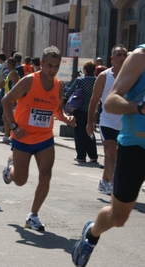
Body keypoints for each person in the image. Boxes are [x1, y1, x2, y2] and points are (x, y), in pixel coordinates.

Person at [71, 44, 145, 267]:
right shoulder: (140, 58)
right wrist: (141, 107)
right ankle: (91, 235)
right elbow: (111, 102)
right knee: (118, 217)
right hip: (136, 146)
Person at [1, 46, 76, 231]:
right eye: (49, 65)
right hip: (22, 136)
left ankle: (33, 215)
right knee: (20, 180)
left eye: (56, 66)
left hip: (44, 138)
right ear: (41, 64)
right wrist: (13, 126)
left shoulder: (59, 85)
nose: (53, 70)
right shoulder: (28, 81)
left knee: (46, 174)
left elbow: (56, 110)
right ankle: (10, 168)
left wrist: (65, 118)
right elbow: (6, 100)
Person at [86, 44, 127, 195]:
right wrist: (90, 122)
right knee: (110, 152)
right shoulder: (104, 76)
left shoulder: (131, 77)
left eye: (124, 55)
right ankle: (112, 184)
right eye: (119, 55)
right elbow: (94, 100)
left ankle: (104, 181)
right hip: (107, 121)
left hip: (126, 122)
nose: (122, 58)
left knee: (120, 155)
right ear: (112, 59)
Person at [64, 61, 98, 163]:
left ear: (85, 70)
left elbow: (69, 92)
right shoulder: (97, 80)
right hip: (91, 110)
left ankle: (81, 155)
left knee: (79, 133)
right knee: (90, 132)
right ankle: (93, 155)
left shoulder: (80, 80)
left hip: (79, 110)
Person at [0, 58, 19, 144]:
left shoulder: (13, 73)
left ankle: (11, 136)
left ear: (9, 64)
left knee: (9, 118)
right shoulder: (11, 73)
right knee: (5, 117)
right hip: (8, 98)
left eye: (7, 64)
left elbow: (15, 85)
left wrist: (12, 99)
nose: (6, 65)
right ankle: (7, 136)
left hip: (12, 99)